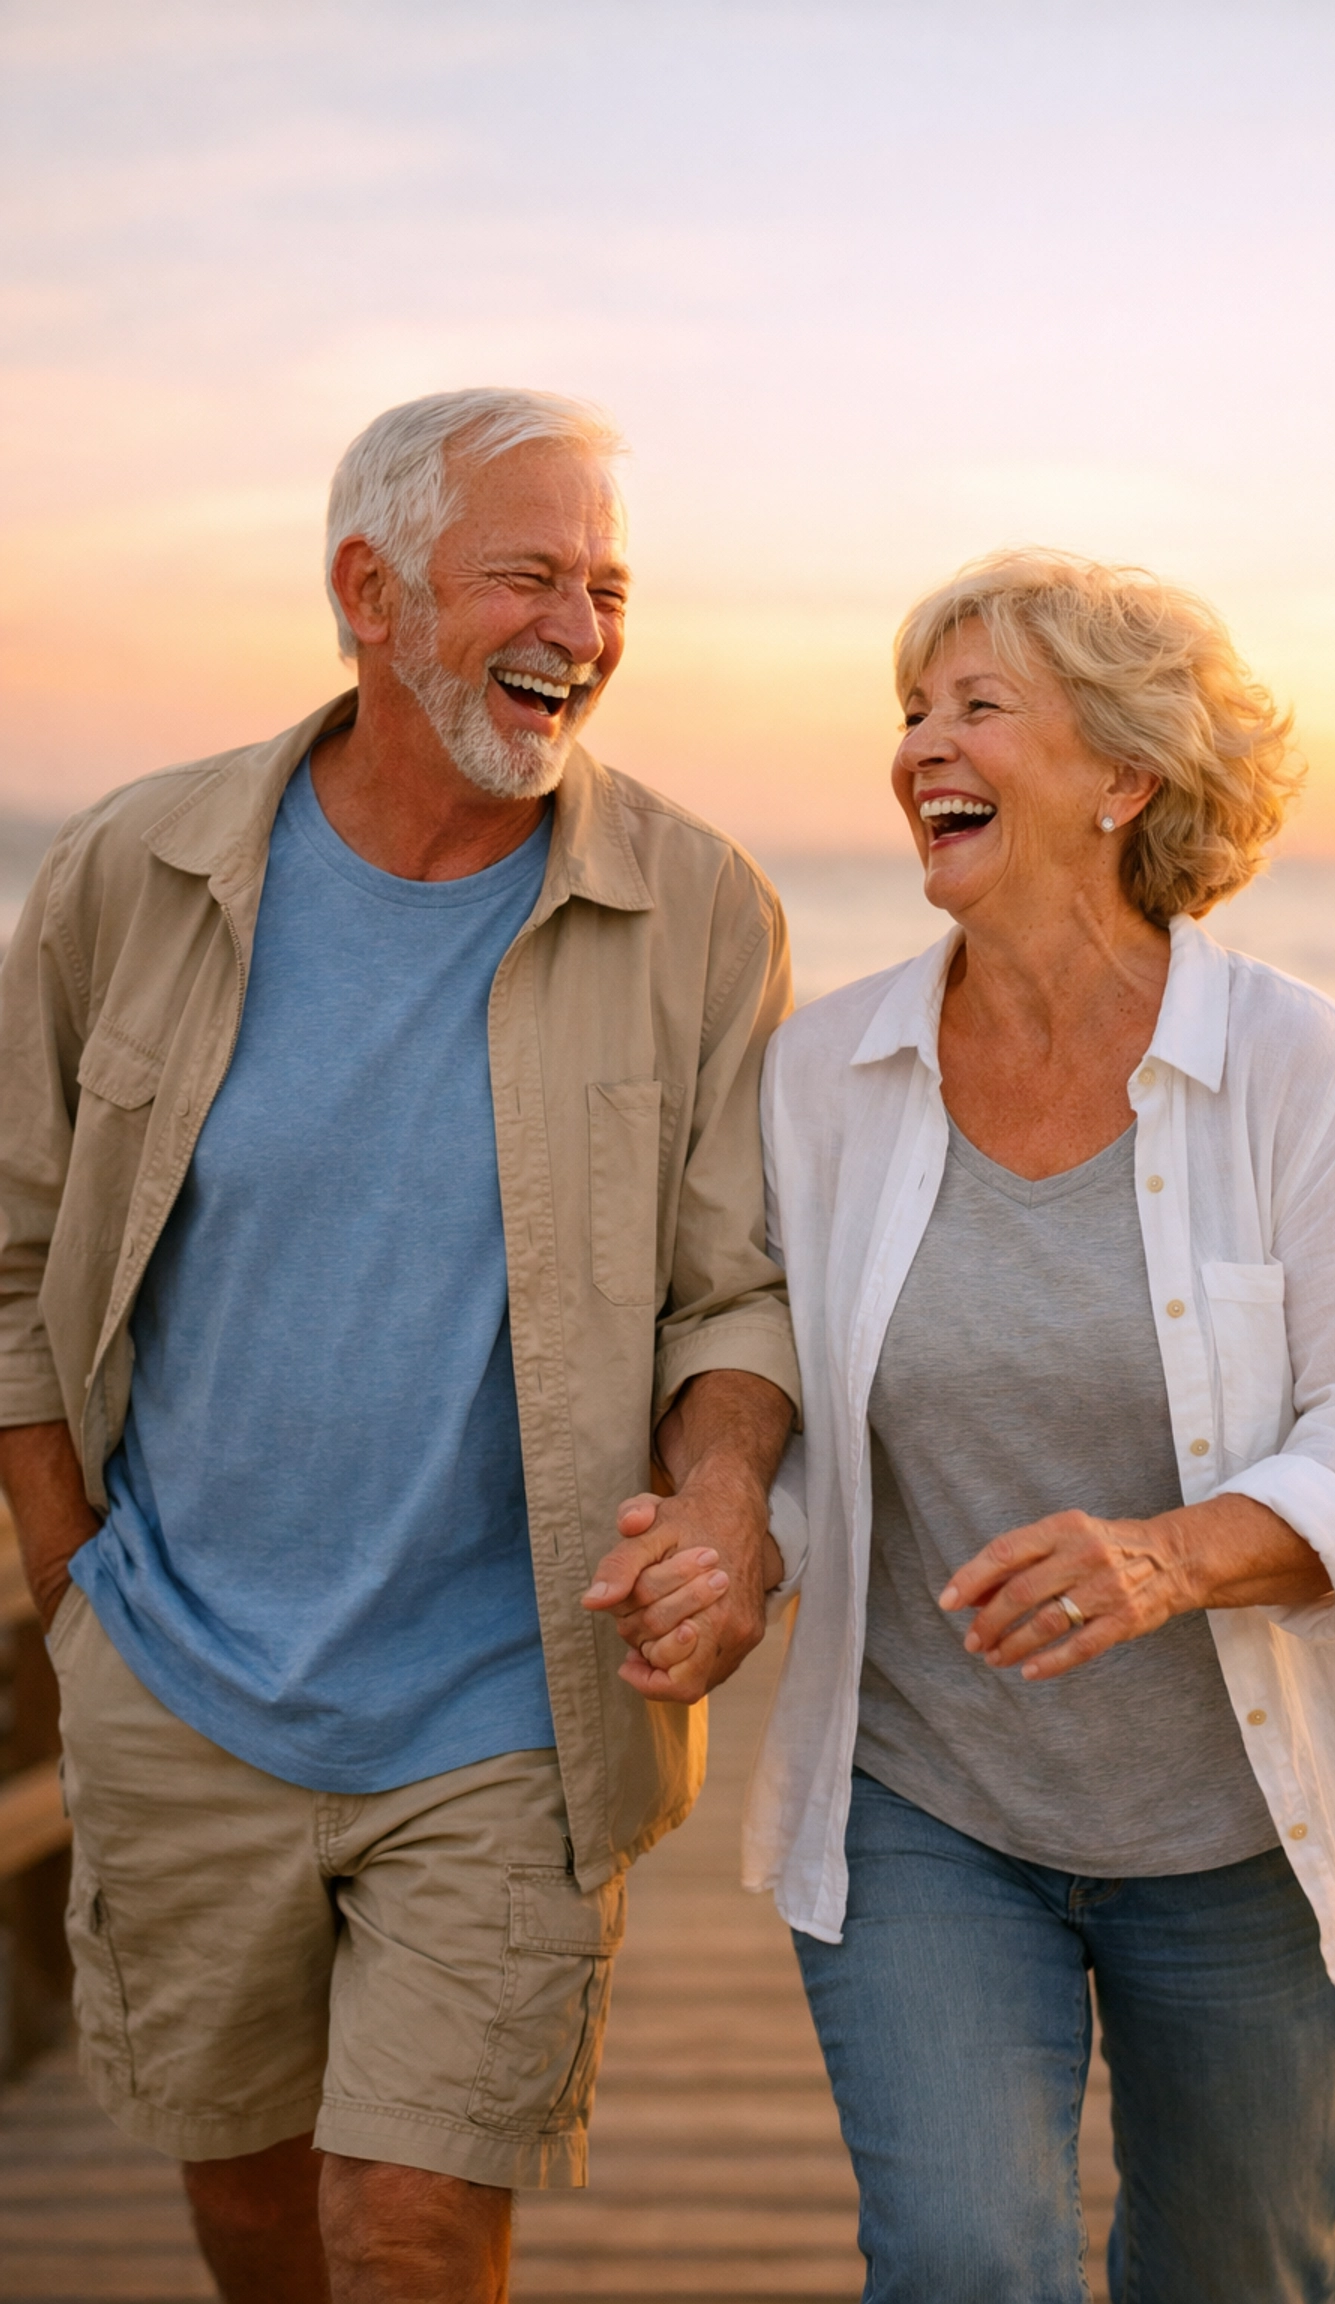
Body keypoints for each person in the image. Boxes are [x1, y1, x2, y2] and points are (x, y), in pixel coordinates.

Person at [0, 387, 797, 2304]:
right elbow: (12, 1248)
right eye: (529, 575)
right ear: (368, 590)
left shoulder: (696, 911)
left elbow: (739, 1288)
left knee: (416, 2226)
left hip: (509, 1707)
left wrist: (722, 1494)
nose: (583, 633)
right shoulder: (137, 874)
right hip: (180, 1675)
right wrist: (65, 1582)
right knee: (258, 2206)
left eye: (610, 589)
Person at [745, 548, 1335, 2303]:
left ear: (1124, 778)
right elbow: (783, 1397)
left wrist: (1171, 1560)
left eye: (979, 707)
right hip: (924, 1801)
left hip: (1247, 1827)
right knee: (961, 2261)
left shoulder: (1289, 1062)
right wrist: (724, 1530)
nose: (921, 744)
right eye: (915, 710)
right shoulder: (827, 1075)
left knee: (1234, 2271)